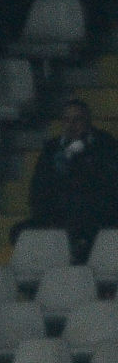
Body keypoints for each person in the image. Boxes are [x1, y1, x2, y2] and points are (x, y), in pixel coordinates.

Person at [26, 98, 118, 263]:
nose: (71, 125)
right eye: (66, 120)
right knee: (20, 231)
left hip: (95, 214)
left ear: (88, 121)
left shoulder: (105, 144)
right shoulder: (52, 148)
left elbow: (110, 184)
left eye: (77, 119)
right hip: (58, 215)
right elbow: (39, 186)